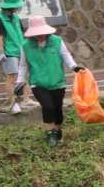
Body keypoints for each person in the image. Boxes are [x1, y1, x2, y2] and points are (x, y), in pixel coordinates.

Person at [15, 16, 83, 146]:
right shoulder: (25, 46)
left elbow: (66, 55)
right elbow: (23, 65)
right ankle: (50, 134)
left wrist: (74, 67)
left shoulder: (57, 41)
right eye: (37, 34)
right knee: (48, 107)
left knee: (57, 108)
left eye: (42, 33)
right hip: (38, 82)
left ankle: (57, 131)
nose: (40, 35)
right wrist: (20, 81)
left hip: (57, 81)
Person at [0, 0, 28, 114]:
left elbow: (22, 33)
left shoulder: (16, 17)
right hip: (10, 52)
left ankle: (26, 100)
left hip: (21, 50)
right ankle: (13, 104)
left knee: (24, 75)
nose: (17, 9)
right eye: (15, 7)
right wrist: (1, 52)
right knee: (11, 78)